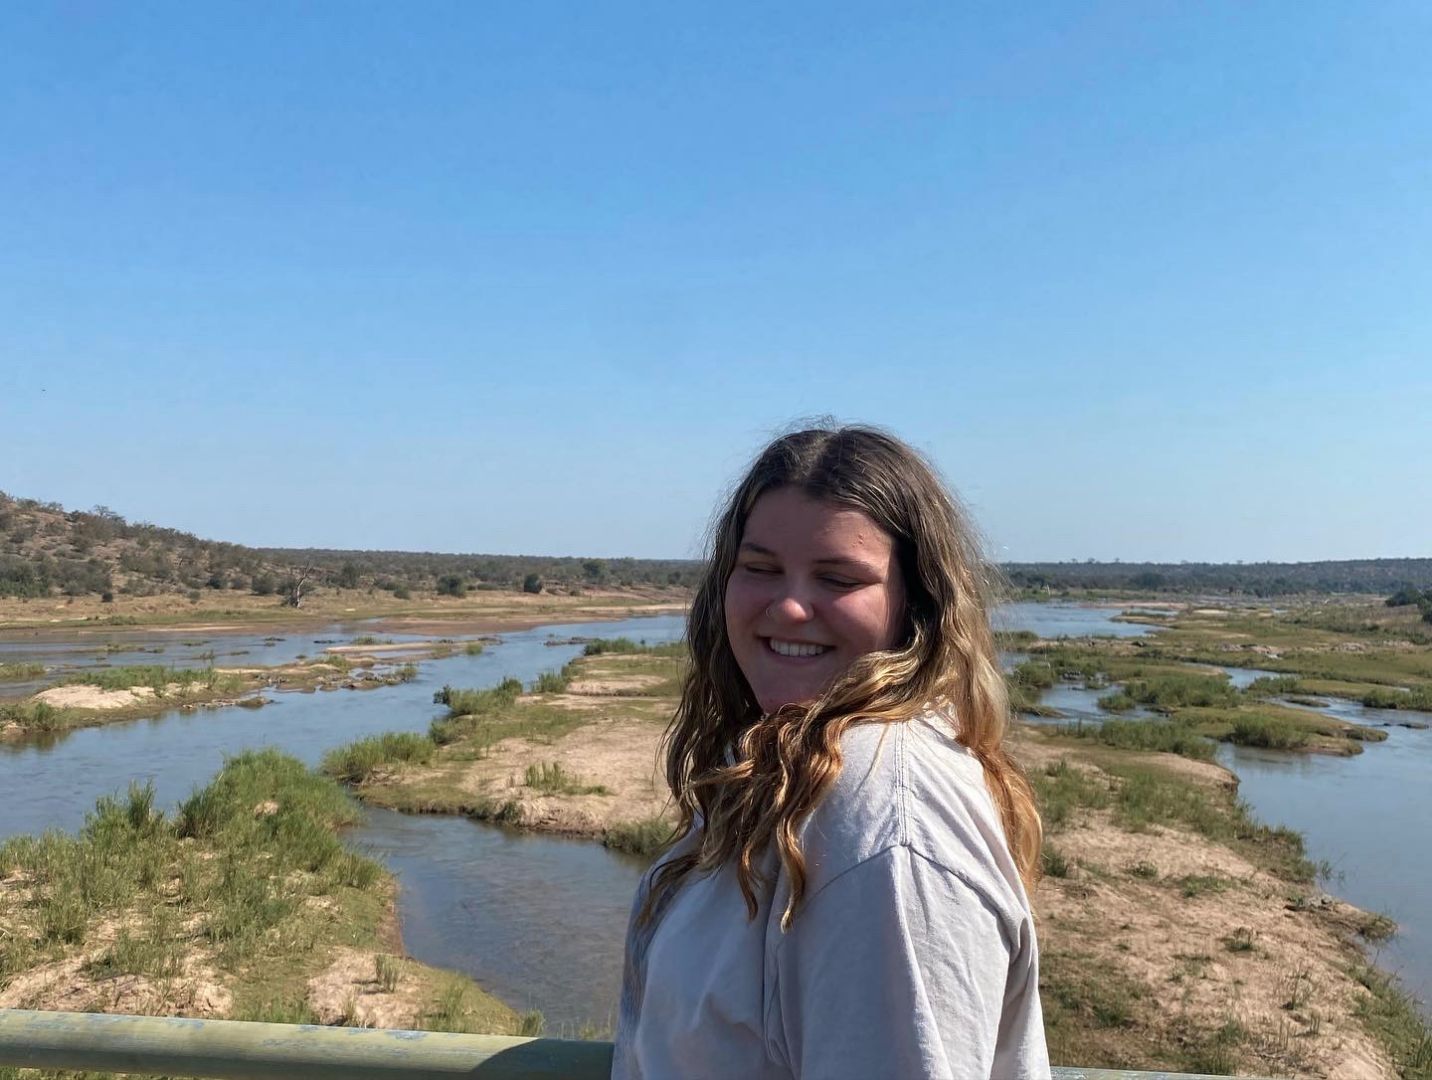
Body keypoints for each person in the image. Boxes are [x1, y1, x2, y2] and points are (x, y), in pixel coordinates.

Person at [612, 425, 1050, 1080]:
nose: (788, 607)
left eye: (838, 578)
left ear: (915, 606)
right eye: (759, 569)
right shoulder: (788, 767)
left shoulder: (887, 828)